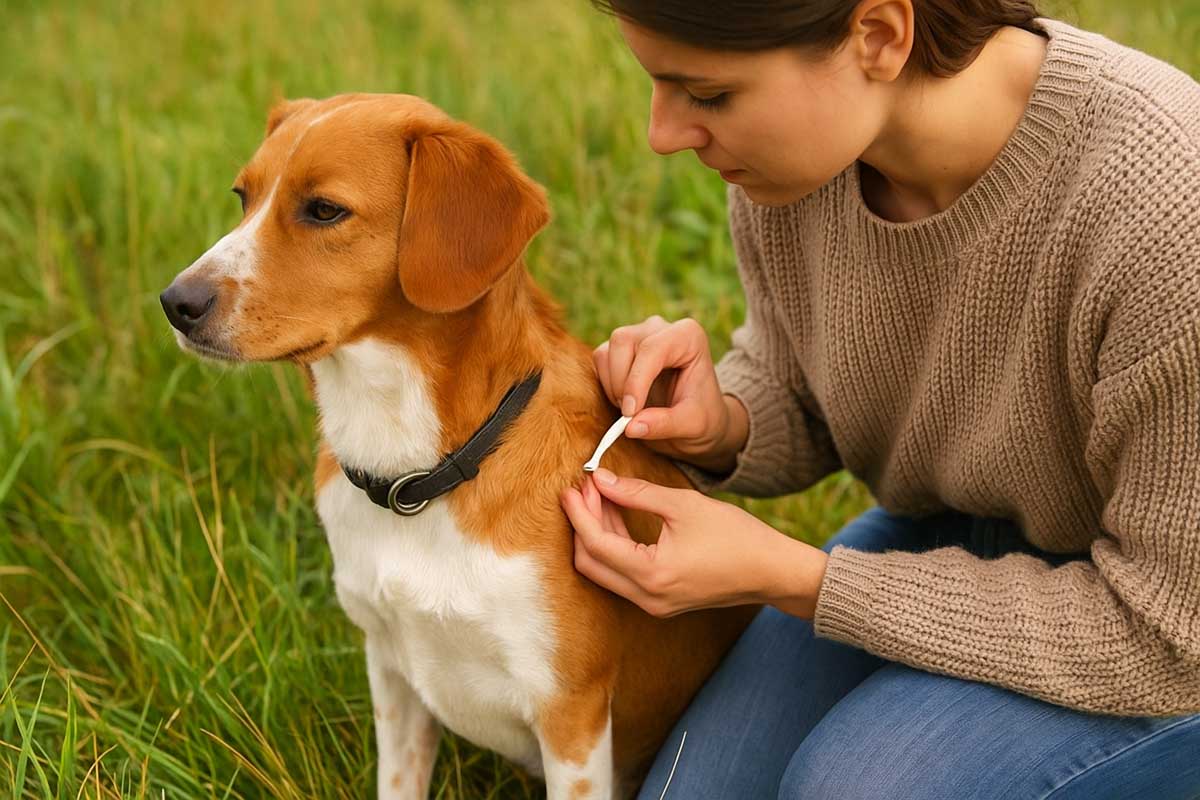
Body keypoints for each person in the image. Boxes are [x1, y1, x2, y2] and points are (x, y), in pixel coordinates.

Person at [556, 0, 1200, 797]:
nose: (665, 134)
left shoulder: (1166, 208)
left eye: (709, 95)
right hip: (959, 533)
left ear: (880, 37)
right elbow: (811, 386)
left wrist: (798, 579)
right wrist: (723, 420)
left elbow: (1173, 636)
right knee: (695, 788)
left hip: (1166, 631)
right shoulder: (801, 165)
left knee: (853, 788)